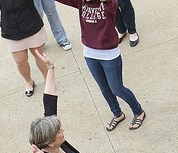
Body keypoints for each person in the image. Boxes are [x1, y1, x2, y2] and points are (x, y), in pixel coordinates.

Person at [55, 0, 145, 131]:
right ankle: (117, 113)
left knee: (117, 88)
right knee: (104, 88)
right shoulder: (81, 2)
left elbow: (112, 5)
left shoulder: (108, 3)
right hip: (89, 53)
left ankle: (138, 111)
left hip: (109, 54)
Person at [0, 0, 49, 97]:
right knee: (20, 61)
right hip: (11, 28)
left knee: (40, 56)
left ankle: (48, 80)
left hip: (30, 22)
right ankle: (29, 82)